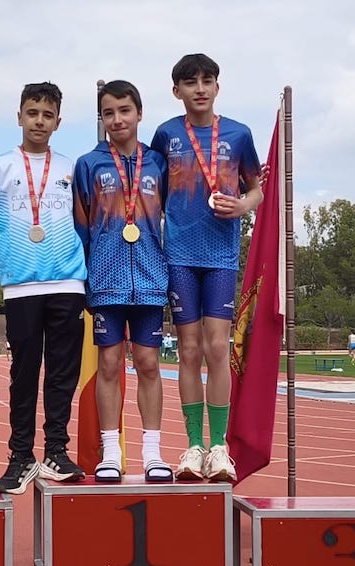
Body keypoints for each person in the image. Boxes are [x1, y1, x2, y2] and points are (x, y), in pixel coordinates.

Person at [150, 53, 263, 482]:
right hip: (178, 254)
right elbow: (150, 190)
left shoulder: (239, 134)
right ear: (176, 90)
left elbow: (257, 190)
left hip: (220, 256)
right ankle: (193, 446)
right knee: (188, 349)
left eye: (207, 80)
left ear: (218, 86)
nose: (199, 89)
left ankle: (218, 448)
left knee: (217, 348)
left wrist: (242, 206)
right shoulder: (166, 134)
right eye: (190, 82)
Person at [0, 81, 87, 494]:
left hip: (68, 281)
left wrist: (81, 270)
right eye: (32, 113)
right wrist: (3, 266)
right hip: (21, 285)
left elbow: (83, 221)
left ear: (58, 121)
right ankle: (21, 455)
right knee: (23, 373)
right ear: (19, 116)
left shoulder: (71, 169)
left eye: (47, 115)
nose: (39, 121)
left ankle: (56, 451)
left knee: (62, 373)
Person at [73, 79, 171, 483]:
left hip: (150, 278)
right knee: (110, 364)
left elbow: (177, 214)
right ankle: (110, 451)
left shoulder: (158, 164)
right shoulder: (88, 165)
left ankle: (153, 453)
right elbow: (81, 227)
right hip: (105, 281)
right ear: (101, 118)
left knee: (148, 363)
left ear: (139, 113)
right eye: (108, 113)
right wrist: (84, 276)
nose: (117, 119)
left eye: (124, 110)